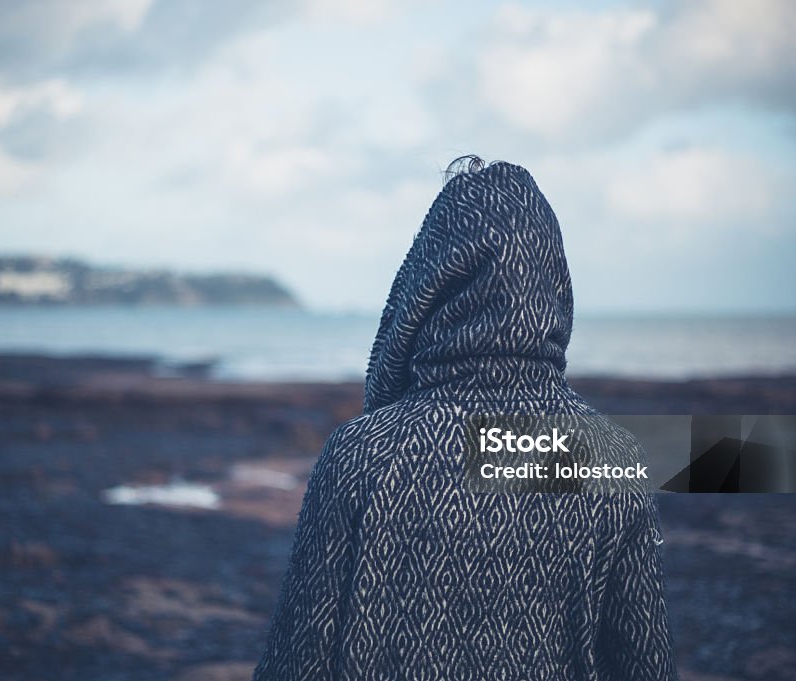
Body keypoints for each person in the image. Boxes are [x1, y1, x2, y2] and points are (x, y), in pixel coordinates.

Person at [253, 158, 678, 680]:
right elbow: (647, 668)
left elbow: (294, 667)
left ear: (427, 285)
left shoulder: (360, 458)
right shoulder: (606, 458)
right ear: (553, 284)